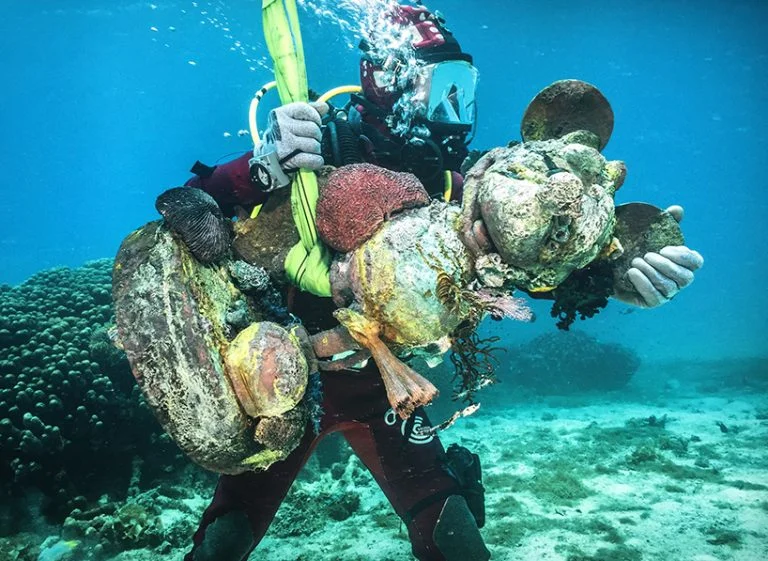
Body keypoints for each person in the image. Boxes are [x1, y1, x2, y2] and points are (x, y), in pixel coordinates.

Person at [179, 5, 703, 561]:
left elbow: (526, 259)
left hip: (384, 391)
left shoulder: (461, 188)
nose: (456, 113)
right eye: (443, 89)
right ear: (387, 83)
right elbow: (193, 205)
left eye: (465, 90)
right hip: (283, 386)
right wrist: (262, 169)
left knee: (445, 518)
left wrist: (612, 272)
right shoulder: (314, 149)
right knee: (225, 538)